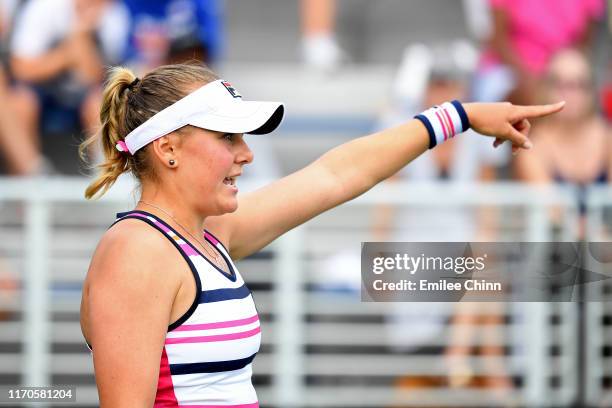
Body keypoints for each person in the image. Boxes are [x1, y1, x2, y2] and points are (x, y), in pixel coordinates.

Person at [79, 62, 563, 406]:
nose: (246, 155)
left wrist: (458, 116)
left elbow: (336, 176)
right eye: (228, 138)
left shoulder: (207, 238)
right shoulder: (137, 252)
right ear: (167, 149)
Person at [515, 48, 612, 238]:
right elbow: (552, 209)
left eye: (579, 85)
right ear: (546, 89)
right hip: (554, 252)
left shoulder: (607, 139)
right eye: (561, 84)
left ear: (591, 91)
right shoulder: (532, 146)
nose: (570, 94)